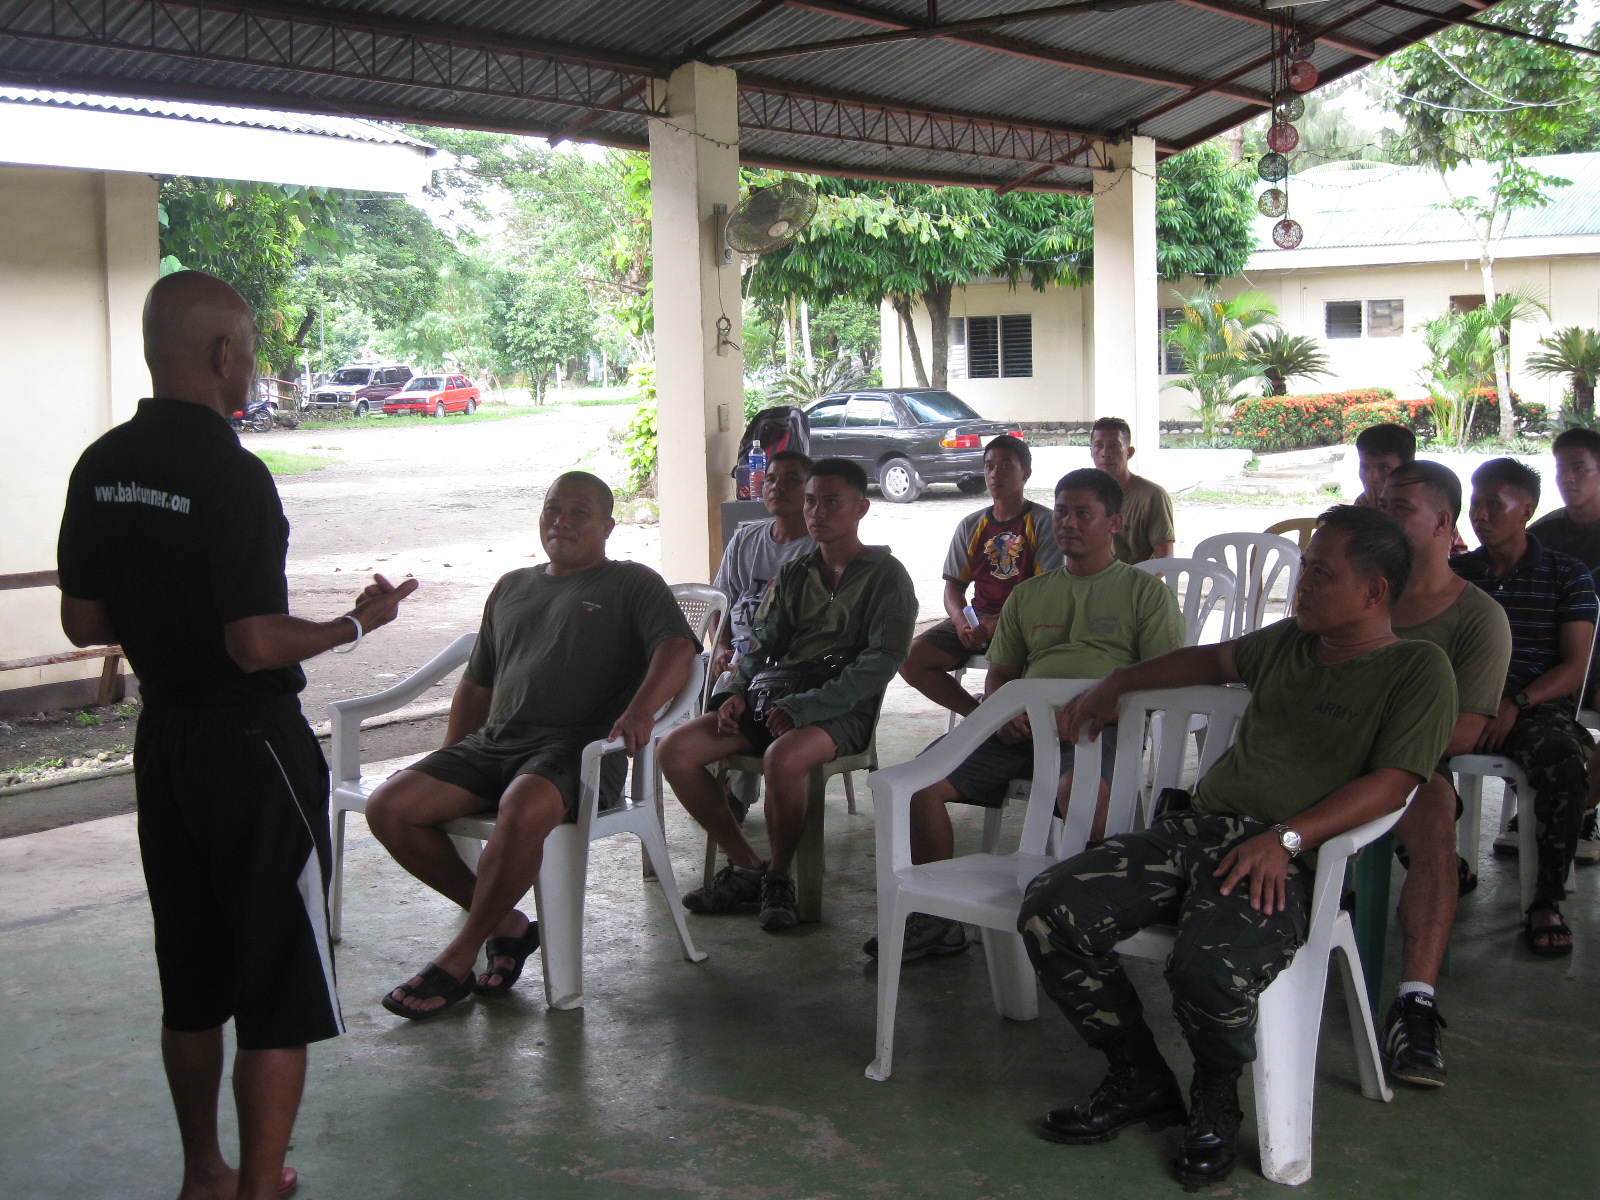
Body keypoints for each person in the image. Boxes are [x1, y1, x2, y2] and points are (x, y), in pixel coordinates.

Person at [55, 271, 419, 1200]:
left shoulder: (101, 465)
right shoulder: (232, 473)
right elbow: (253, 643)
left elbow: (84, 622)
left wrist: (162, 614)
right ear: (223, 355)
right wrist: (354, 624)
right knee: (277, 982)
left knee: (190, 979)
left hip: (166, 744)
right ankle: (259, 1186)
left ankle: (204, 1175)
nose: (251, 366)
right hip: (252, 751)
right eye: (250, 350)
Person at [1023, 505, 1455, 1188]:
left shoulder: (1416, 668)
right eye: (1304, 567)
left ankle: (1216, 1099)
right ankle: (1138, 1078)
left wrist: (1287, 838)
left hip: (1289, 854)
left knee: (1207, 965)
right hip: (1199, 829)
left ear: (1374, 591)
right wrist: (1117, 682)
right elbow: (1210, 658)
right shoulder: (1290, 641)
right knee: (1051, 908)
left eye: (1320, 572)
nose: (1302, 583)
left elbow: (1395, 783)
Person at [364, 472, 697, 1017]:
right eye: (552, 509)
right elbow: (477, 685)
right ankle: (506, 924)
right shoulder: (511, 586)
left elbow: (678, 649)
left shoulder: (631, 582)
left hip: (578, 753)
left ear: (608, 526)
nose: (561, 521)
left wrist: (640, 710)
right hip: (494, 745)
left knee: (522, 806)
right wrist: (449, 757)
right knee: (389, 807)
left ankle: (459, 955)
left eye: (579, 512)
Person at [872, 468, 1183, 962]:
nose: (1068, 523)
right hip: (1020, 728)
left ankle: (1090, 916)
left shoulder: (1145, 593)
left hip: (1096, 731)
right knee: (918, 784)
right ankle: (938, 924)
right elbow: (1000, 673)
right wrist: (1004, 711)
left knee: (1080, 793)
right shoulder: (1031, 594)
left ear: (1115, 523)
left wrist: (1092, 711)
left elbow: (1163, 682)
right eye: (1061, 512)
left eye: (1083, 513)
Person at [659, 458, 918, 933]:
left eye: (831, 502)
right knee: (675, 749)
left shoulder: (888, 577)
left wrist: (807, 707)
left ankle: (779, 877)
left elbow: (881, 662)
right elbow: (762, 645)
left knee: (782, 757)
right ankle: (747, 867)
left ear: (861, 508)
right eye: (812, 501)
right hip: (779, 698)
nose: (817, 512)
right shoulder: (797, 572)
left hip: (842, 709)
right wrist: (736, 691)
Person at [1377, 462, 1512, 1087]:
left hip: (1408, 768)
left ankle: (1416, 1003)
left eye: (1400, 509)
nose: (1385, 519)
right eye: (1382, 506)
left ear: (1442, 524)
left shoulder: (1478, 616)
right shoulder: (1361, 592)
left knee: (1435, 820)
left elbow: (1462, 732)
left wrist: (1374, 749)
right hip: (1325, 753)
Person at [1453, 457, 1596, 955]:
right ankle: (1447, 864)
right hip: (1464, 703)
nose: (1480, 514)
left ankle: (1545, 901)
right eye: (1476, 503)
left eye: (1494, 504)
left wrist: (1517, 701)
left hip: (1534, 706)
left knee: (1563, 764)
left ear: (1527, 510)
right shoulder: (1457, 574)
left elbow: (1575, 667)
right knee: (1388, 747)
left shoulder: (1566, 575)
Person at [898, 435, 1060, 717]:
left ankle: (995, 723)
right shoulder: (971, 525)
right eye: (989, 466)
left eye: (1006, 466)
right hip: (979, 619)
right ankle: (979, 718)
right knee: (911, 659)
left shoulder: (1044, 523)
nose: (996, 473)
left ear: (1026, 474)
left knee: (999, 676)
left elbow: (1047, 595)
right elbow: (953, 588)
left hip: (1025, 622)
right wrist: (961, 622)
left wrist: (997, 623)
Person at [1529, 427, 1600, 863]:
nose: (1568, 479)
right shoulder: (1544, 534)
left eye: (1579, 468)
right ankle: (1543, 805)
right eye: (1561, 469)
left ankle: (1580, 808)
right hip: (1553, 661)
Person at [711, 449, 816, 678]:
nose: (777, 487)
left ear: (811, 490)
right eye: (770, 479)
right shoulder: (744, 539)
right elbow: (719, 604)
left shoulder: (821, 549)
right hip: (735, 656)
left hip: (784, 665)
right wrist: (720, 649)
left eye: (791, 480)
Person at [1353, 422, 1466, 555]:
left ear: (1407, 469)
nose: (1372, 477)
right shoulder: (1361, 507)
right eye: (1364, 467)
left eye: (1384, 467)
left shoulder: (1426, 508)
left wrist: (1380, 522)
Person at [1088, 416, 1175, 564]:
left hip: (1138, 577)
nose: (1105, 453)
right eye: (1098, 446)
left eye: (1114, 446)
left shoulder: (1152, 496)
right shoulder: (1084, 495)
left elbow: (1164, 558)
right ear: (1091, 452)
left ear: (1129, 452)